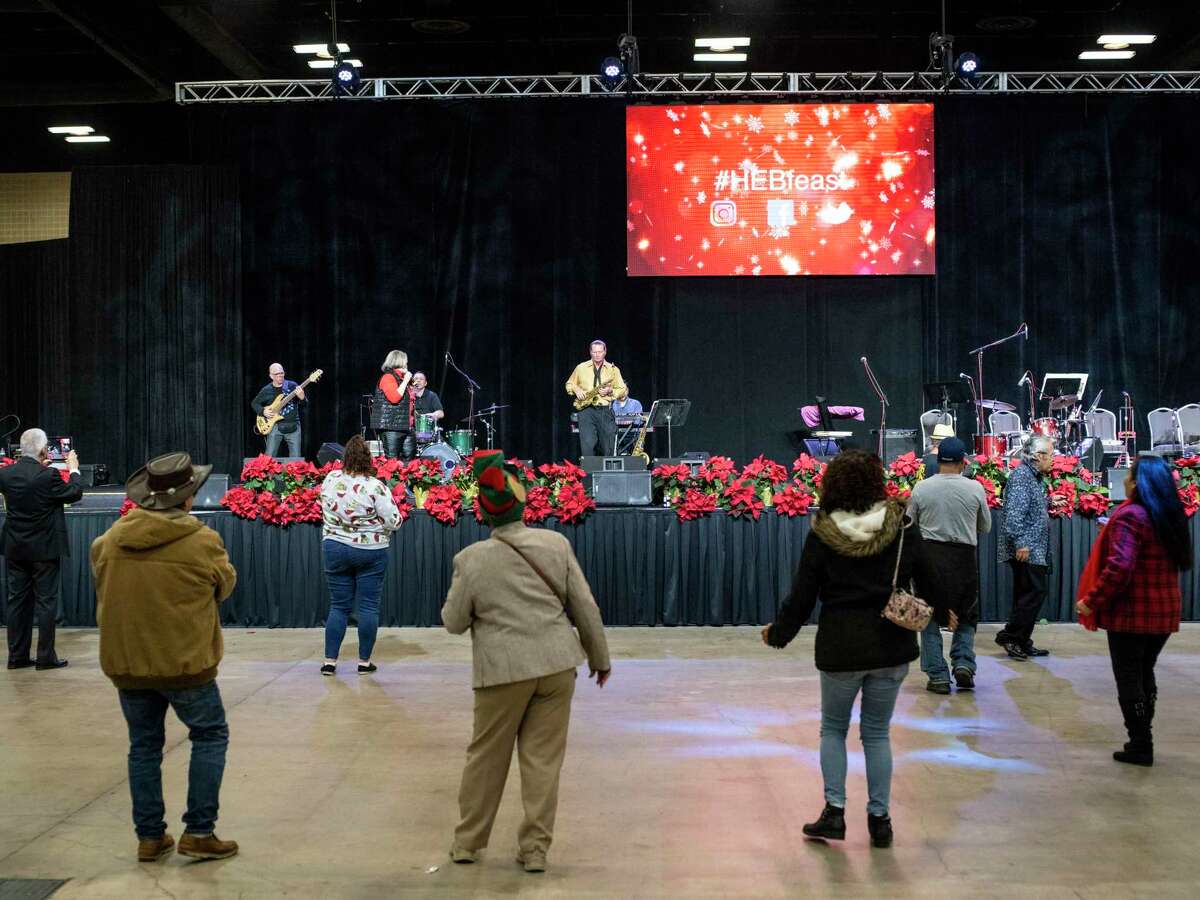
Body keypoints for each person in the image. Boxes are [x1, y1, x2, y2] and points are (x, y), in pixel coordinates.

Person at [762, 450, 947, 849]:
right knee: (877, 734)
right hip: (891, 646)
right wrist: (949, 612)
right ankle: (880, 821)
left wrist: (779, 632)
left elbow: (802, 596)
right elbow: (930, 582)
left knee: (833, 728)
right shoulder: (903, 527)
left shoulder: (824, 533)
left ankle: (835, 812)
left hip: (840, 647)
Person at [442, 450, 610, 873]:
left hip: (502, 671)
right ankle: (534, 849)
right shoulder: (555, 544)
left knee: (486, 758)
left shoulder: (472, 559)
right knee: (542, 762)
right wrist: (599, 658)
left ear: (483, 511)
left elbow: (454, 623)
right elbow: (585, 606)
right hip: (557, 666)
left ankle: (467, 843)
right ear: (523, 504)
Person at [91, 451, 239, 862]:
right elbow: (225, 587)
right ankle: (199, 831)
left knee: (143, 747)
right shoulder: (203, 540)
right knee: (210, 735)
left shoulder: (108, 541)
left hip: (128, 663)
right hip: (185, 661)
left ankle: (150, 837)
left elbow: (102, 591)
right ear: (187, 499)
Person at [1076, 455, 1192, 767]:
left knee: (1129, 678)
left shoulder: (1132, 516)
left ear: (1139, 483)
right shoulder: (1168, 514)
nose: (1125, 480)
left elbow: (1120, 567)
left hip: (1132, 613)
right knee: (1144, 673)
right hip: (1164, 611)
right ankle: (1142, 737)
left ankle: (1141, 742)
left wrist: (1092, 599)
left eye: (1128, 475)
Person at [907, 437, 991, 694]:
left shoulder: (921, 488)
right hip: (963, 559)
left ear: (938, 460)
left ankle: (938, 676)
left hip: (930, 560)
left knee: (929, 618)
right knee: (966, 614)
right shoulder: (975, 488)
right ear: (963, 462)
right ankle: (964, 663)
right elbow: (985, 526)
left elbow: (910, 525)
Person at [319, 435, 403, 676]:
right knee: (368, 607)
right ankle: (364, 663)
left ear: (344, 458)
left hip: (334, 547)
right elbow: (394, 521)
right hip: (370, 552)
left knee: (338, 606)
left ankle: (329, 662)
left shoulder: (331, 479)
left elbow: (323, 505)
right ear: (369, 459)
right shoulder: (375, 486)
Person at [1, 428, 83, 670]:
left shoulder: (6, 474)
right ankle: (46, 657)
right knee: (46, 603)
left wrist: (39, 466)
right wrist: (74, 467)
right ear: (44, 450)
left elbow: (26, 481)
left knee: (17, 602)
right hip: (44, 549)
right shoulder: (48, 477)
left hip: (15, 547)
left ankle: (17, 657)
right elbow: (74, 492)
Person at [995, 434, 1056, 660]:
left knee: (1027, 594)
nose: (1053, 459)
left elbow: (1026, 505)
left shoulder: (1032, 477)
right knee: (1033, 593)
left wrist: (1049, 502)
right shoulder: (1022, 477)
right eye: (1050, 455)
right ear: (1038, 456)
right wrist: (1021, 543)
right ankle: (1011, 637)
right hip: (1026, 548)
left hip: (1033, 547)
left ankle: (1021, 639)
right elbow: (1013, 516)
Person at [564, 340, 628, 458]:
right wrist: (576, 389)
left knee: (607, 445)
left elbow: (622, 389)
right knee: (587, 444)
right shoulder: (581, 368)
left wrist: (610, 391)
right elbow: (569, 384)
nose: (597, 354)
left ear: (605, 352)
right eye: (594, 352)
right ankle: (589, 474)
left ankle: (608, 474)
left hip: (605, 410)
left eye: (600, 351)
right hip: (586, 410)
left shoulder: (613, 369)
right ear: (590, 352)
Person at [251, 363, 306, 458]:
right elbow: (254, 403)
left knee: (296, 461)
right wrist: (263, 411)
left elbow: (305, 404)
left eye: (282, 373)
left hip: (293, 427)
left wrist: (302, 398)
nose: (280, 375)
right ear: (271, 376)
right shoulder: (267, 389)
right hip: (275, 426)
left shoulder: (292, 385)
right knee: (268, 459)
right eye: (277, 374)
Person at [370, 350, 414, 460]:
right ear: (400, 362)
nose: (407, 365)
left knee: (410, 463)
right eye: (406, 362)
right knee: (393, 463)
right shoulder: (388, 377)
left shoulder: (401, 379)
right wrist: (406, 381)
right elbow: (394, 398)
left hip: (407, 426)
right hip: (392, 427)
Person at [410, 371, 445, 440]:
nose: (418, 380)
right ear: (412, 382)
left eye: (421, 379)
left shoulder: (432, 395)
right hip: (413, 433)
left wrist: (433, 414)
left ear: (425, 383)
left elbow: (441, 413)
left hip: (430, 432)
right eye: (416, 378)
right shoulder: (408, 397)